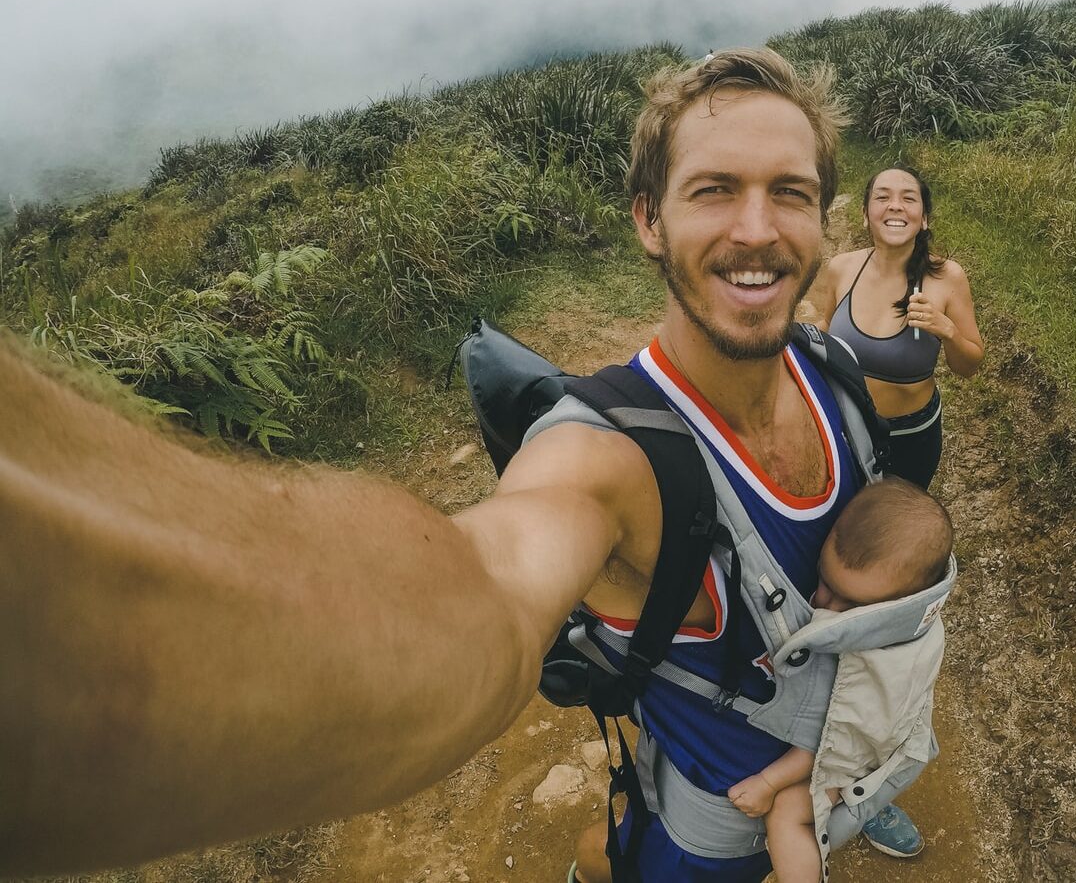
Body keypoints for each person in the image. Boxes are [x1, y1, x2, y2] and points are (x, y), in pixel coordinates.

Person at [0, 49, 914, 882]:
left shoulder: (831, 368)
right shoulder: (609, 458)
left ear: (823, 214)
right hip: (711, 854)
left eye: (789, 192)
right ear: (647, 219)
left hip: (832, 777)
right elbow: (491, 580)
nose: (758, 229)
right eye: (714, 188)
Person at [726, 476, 952, 883]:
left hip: (869, 752)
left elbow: (825, 745)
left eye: (850, 606)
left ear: (894, 609)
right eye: (825, 581)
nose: (824, 604)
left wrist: (767, 781)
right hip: (898, 731)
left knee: (788, 815)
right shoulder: (919, 618)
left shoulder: (863, 671)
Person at [809, 166, 984, 491]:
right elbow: (827, 327)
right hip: (844, 425)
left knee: (893, 531)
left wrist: (947, 330)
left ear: (924, 218)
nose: (895, 205)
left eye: (908, 198)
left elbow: (970, 366)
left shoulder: (947, 277)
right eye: (883, 197)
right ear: (865, 214)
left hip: (911, 437)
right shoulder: (841, 268)